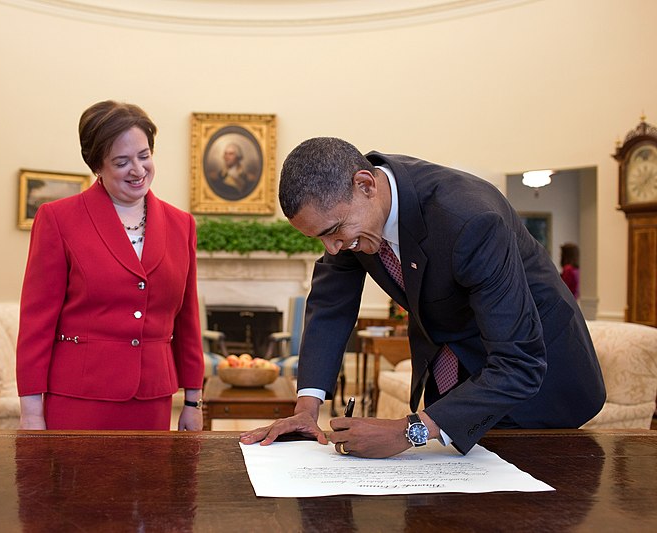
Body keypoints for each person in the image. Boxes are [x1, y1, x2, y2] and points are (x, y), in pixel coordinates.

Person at [240, 137, 605, 457]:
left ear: (365, 184)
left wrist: (407, 430)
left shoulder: (470, 219)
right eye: (319, 238)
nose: (333, 249)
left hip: (538, 386)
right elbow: (329, 309)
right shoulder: (354, 215)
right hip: (459, 381)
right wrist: (306, 410)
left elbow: (520, 362)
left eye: (335, 231)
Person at [16, 100, 205, 431]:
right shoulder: (58, 219)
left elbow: (187, 320)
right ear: (97, 167)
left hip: (153, 400)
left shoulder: (182, 224)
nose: (138, 169)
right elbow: (37, 323)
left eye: (144, 155)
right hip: (79, 399)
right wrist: (31, 411)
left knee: (151, 484)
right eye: (121, 162)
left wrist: (193, 400)